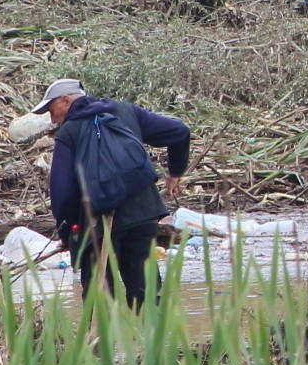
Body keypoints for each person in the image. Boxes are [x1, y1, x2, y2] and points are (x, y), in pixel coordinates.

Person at [29, 77, 191, 308]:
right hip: (143, 214)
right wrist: (175, 171)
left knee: (100, 299)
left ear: (66, 100)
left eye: (52, 110)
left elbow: (63, 194)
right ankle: (152, 342)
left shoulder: (69, 132)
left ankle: (101, 343)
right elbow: (180, 130)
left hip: (97, 227)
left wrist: (69, 235)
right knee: (145, 293)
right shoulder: (125, 111)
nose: (53, 119)